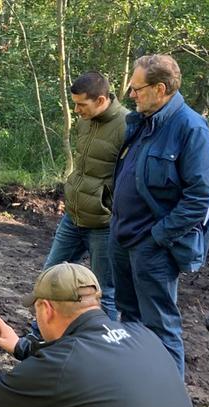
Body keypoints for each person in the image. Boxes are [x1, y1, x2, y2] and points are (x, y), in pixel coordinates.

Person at [0, 263, 201, 407]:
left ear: (46, 309)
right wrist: (20, 346)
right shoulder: (142, 334)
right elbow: (89, 355)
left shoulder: (62, 364)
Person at [109, 54, 209, 377]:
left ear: (160, 89)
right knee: (128, 319)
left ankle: (170, 406)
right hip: (123, 237)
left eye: (137, 88)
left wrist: (158, 237)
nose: (131, 94)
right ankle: (135, 390)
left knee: (160, 326)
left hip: (153, 246)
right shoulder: (141, 122)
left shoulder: (190, 128)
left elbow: (201, 197)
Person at [43, 71, 128, 319]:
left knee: (104, 293)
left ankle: (106, 350)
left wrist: (110, 208)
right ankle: (41, 338)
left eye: (82, 104)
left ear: (101, 100)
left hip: (103, 225)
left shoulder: (127, 126)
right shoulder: (85, 121)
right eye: (75, 104)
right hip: (73, 217)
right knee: (50, 278)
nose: (77, 110)